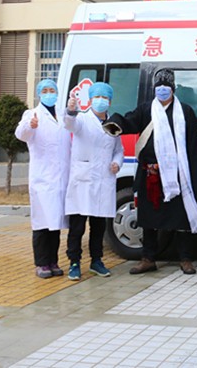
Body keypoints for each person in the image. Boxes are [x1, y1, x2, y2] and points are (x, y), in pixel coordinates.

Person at [103, 69, 197, 275]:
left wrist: (195, 178)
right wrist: (114, 123)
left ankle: (185, 258)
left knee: (181, 218)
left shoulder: (185, 112)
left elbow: (193, 146)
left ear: (173, 89)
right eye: (158, 87)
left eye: (166, 87)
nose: (162, 90)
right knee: (148, 217)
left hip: (177, 174)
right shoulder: (145, 109)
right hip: (150, 174)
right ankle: (148, 258)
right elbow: (130, 121)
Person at [63, 82, 124, 281]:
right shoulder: (82, 119)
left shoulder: (113, 124)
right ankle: (74, 262)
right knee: (77, 227)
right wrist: (71, 111)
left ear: (110, 101)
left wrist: (117, 163)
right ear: (90, 100)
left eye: (105, 98)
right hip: (83, 179)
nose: (101, 101)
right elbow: (69, 125)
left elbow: (119, 150)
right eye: (97, 97)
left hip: (104, 180)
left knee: (98, 227)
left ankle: (96, 261)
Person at [15, 79, 71, 279]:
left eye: (52, 90)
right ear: (39, 94)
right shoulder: (32, 114)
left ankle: (53, 261)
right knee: (41, 223)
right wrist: (30, 126)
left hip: (61, 178)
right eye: (45, 90)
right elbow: (20, 134)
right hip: (42, 179)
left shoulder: (63, 115)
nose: (49, 94)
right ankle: (41, 263)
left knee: (55, 223)